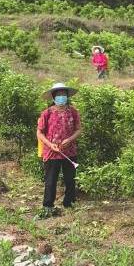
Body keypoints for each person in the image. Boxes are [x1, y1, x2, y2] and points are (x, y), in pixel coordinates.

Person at [36, 82, 82, 217]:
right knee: (51, 180)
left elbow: (79, 129)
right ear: (54, 97)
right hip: (52, 153)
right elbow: (39, 133)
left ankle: (69, 203)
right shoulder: (47, 113)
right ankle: (48, 206)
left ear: (67, 96)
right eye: (59, 95)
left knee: (70, 179)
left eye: (64, 94)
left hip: (70, 151)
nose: (61, 97)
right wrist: (50, 145)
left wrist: (70, 139)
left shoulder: (73, 112)